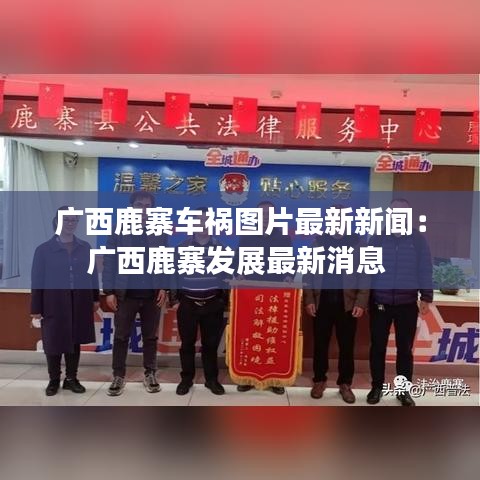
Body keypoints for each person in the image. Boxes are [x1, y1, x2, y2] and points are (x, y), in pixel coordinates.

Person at [367, 198, 433, 406]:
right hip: (380, 302)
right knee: (378, 347)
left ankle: (403, 391)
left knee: (405, 349)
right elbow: (367, 269)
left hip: (407, 304)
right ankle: (376, 387)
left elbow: (425, 268)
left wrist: (426, 296)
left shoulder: (417, 240)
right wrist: (366, 298)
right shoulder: (377, 238)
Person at [103, 192, 169, 396]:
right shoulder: (118, 229)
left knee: (150, 337)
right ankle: (118, 376)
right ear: (131, 207)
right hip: (126, 295)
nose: (143, 209)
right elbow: (109, 261)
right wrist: (109, 291)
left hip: (151, 294)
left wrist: (164, 287)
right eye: (139, 205)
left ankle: (150, 374)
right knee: (121, 336)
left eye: (148, 206)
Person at [31, 206, 100, 396]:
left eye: (73, 220)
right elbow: (37, 280)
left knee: (74, 341)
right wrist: (35, 307)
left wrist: (95, 298)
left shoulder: (85, 247)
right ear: (57, 221)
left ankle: (71, 379)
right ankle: (54, 379)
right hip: (53, 302)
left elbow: (92, 274)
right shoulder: (44, 250)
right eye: (66, 219)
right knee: (53, 342)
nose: (70, 223)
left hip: (79, 301)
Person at [303, 215, 369, 404]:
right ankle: (319, 380)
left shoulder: (358, 245)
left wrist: (361, 302)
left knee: (347, 347)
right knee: (320, 345)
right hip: (321, 303)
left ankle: (345, 383)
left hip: (347, 305)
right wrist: (309, 299)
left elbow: (366, 275)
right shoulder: (317, 244)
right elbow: (308, 273)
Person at [235, 200, 294, 395]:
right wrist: (239, 273)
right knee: (251, 335)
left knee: (272, 337)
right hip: (251, 295)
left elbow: (291, 262)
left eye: (269, 214)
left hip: (274, 296)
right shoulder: (247, 236)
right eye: (262, 214)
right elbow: (238, 260)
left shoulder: (283, 237)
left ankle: (275, 379)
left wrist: (289, 276)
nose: (265, 217)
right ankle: (248, 378)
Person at [170, 208, 229, 396]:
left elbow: (226, 277)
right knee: (187, 344)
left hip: (212, 304)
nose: (203, 224)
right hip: (188, 304)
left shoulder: (222, 248)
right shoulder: (181, 247)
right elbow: (173, 275)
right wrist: (175, 300)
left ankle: (211, 380)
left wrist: (222, 301)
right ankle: (186, 379)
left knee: (210, 345)